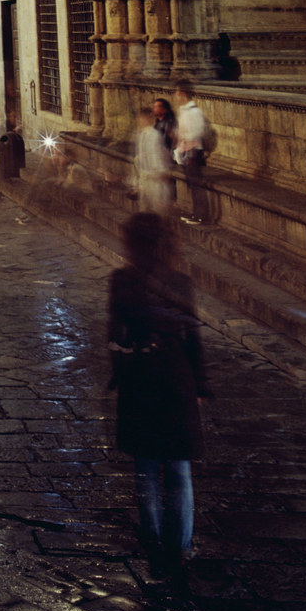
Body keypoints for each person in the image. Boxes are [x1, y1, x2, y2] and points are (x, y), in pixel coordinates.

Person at [108, 213, 208, 573]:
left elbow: (115, 333)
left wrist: (117, 375)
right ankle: (180, 546)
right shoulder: (180, 281)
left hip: (140, 375)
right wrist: (200, 384)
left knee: (146, 466)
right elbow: (193, 335)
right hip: (176, 375)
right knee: (179, 467)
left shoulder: (122, 280)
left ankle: (152, 540)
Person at [171, 81, 213, 225]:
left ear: (183, 93)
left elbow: (199, 131)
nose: (176, 96)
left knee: (196, 184)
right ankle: (196, 212)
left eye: (177, 92)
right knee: (192, 184)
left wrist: (185, 137)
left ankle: (201, 215)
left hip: (193, 151)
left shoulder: (194, 111)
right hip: (185, 150)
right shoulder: (184, 111)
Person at [134, 108, 176, 216]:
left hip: (155, 179)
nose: (140, 121)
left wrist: (160, 175)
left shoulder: (155, 136)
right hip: (145, 179)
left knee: (157, 213)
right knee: (144, 212)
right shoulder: (142, 135)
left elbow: (158, 157)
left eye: (142, 119)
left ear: (148, 119)